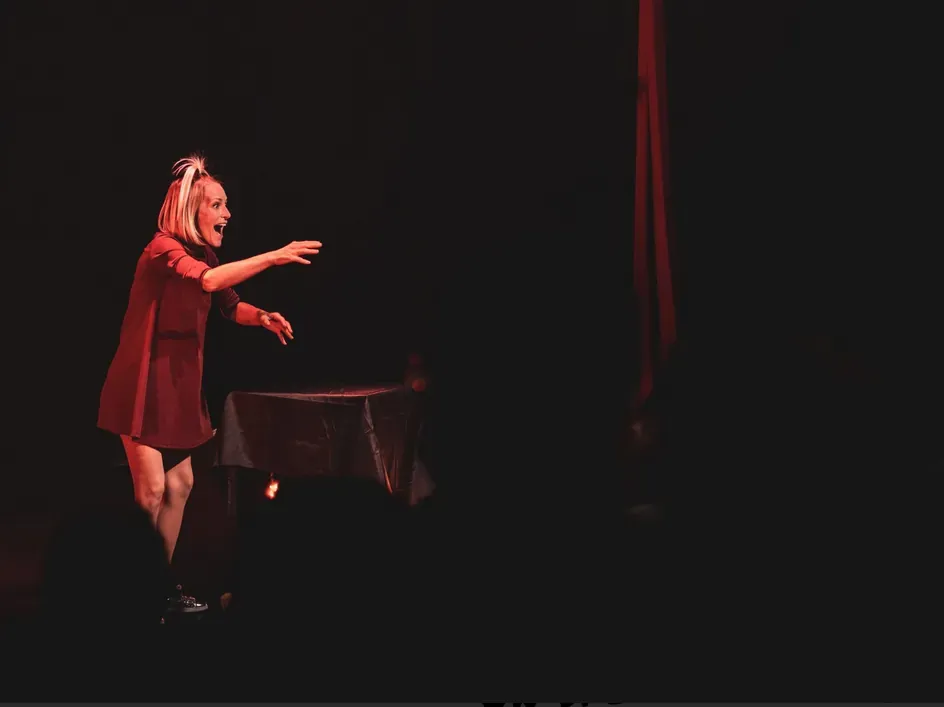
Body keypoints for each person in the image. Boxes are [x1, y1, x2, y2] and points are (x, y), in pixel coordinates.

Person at [97, 154, 321, 612]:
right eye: (217, 205)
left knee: (180, 485)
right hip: (142, 381)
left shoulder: (205, 255)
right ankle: (131, 590)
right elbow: (209, 282)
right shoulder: (164, 249)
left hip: (177, 384)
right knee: (152, 490)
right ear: (190, 209)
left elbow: (228, 303)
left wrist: (261, 317)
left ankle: (158, 587)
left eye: (226, 205)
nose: (227, 214)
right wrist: (274, 256)